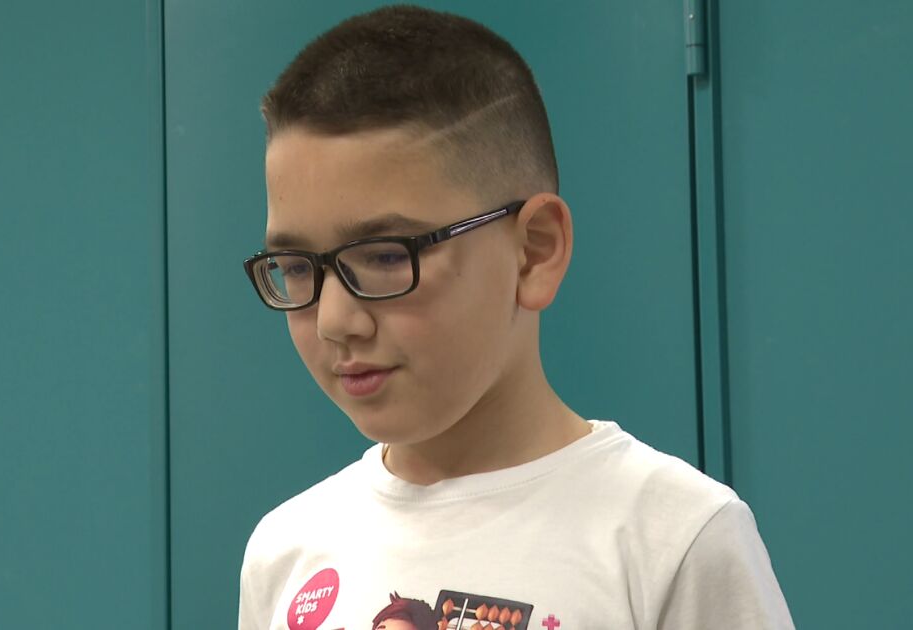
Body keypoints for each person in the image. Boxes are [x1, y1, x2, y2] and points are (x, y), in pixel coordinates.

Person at [238, 5, 794, 629]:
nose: (335, 320)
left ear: (533, 252)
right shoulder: (285, 551)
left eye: (387, 256)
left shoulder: (673, 539)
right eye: (296, 267)